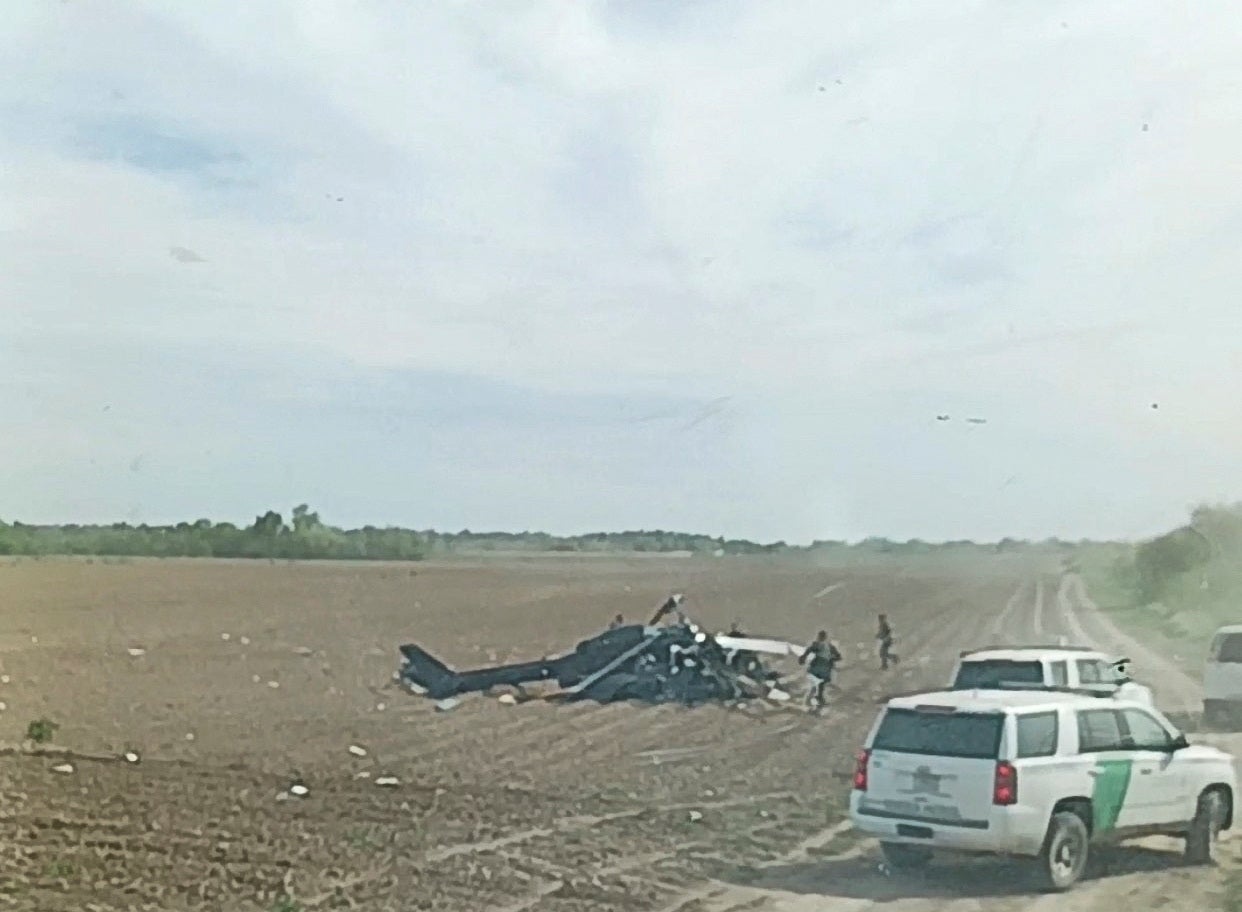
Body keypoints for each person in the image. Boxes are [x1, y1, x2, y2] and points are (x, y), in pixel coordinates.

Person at [799, 630, 842, 711]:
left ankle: (814, 703)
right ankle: (816, 703)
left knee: (817, 686)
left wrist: (803, 658)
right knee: (818, 686)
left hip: (818, 668)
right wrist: (831, 659)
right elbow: (838, 657)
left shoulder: (822, 645)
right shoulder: (828, 646)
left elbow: (808, 651)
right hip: (822, 669)